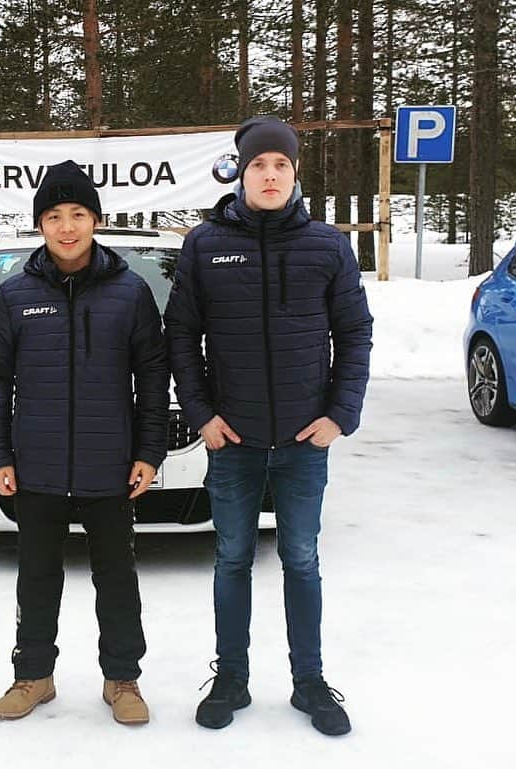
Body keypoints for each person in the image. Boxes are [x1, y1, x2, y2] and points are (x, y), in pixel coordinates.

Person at [164, 116, 373, 736]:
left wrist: (341, 413)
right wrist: (203, 414)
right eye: (259, 164)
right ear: (241, 171)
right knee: (231, 559)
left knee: (301, 559)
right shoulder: (205, 245)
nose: (271, 174)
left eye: (281, 164)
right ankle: (231, 676)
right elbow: (181, 336)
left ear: (296, 172)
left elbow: (354, 333)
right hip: (235, 442)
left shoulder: (328, 246)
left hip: (306, 443)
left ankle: (308, 680)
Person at [0, 160, 169, 725]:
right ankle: (33, 676)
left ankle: (123, 680)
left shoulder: (130, 293)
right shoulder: (15, 296)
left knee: (117, 578)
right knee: (36, 576)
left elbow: (153, 375)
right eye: (55, 216)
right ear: (40, 224)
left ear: (96, 220)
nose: (67, 227)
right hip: (35, 467)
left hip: (109, 465)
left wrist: (149, 451)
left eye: (78, 214)